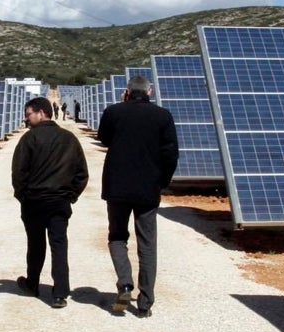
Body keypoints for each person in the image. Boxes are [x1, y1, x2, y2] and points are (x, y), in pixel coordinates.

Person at [96, 75, 178, 317]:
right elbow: (171, 154)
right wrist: (162, 182)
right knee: (147, 244)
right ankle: (145, 302)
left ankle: (124, 283)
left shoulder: (113, 112)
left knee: (118, 236)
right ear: (149, 92)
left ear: (127, 92)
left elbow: (104, 138)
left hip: (117, 188)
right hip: (147, 189)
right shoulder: (163, 116)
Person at [12, 97, 89, 308]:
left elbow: (19, 173)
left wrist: (23, 196)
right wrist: (70, 196)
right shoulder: (69, 139)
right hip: (59, 203)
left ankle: (32, 284)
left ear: (41, 113)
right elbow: (82, 174)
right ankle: (60, 294)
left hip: (34, 202)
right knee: (59, 246)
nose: (26, 119)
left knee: (35, 245)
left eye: (28, 114)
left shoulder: (29, 139)